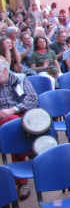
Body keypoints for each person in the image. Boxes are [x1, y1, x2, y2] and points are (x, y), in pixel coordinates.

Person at [0, 59, 38, 200]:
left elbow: (33, 99)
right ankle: (32, 152)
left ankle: (22, 181)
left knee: (14, 125)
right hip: (5, 122)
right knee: (12, 125)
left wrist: (13, 109)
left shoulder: (19, 79)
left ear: (5, 70)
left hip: (21, 117)